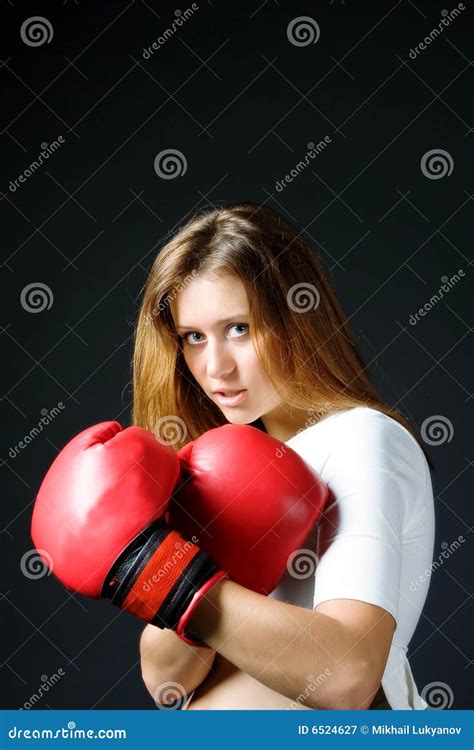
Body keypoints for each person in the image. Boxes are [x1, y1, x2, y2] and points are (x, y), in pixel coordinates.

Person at [136, 201, 435, 710]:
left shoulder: (359, 437)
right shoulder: (218, 467)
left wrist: (178, 584)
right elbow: (166, 679)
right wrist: (154, 568)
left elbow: (346, 676)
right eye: (193, 337)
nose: (215, 368)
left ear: (299, 317)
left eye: (239, 328)